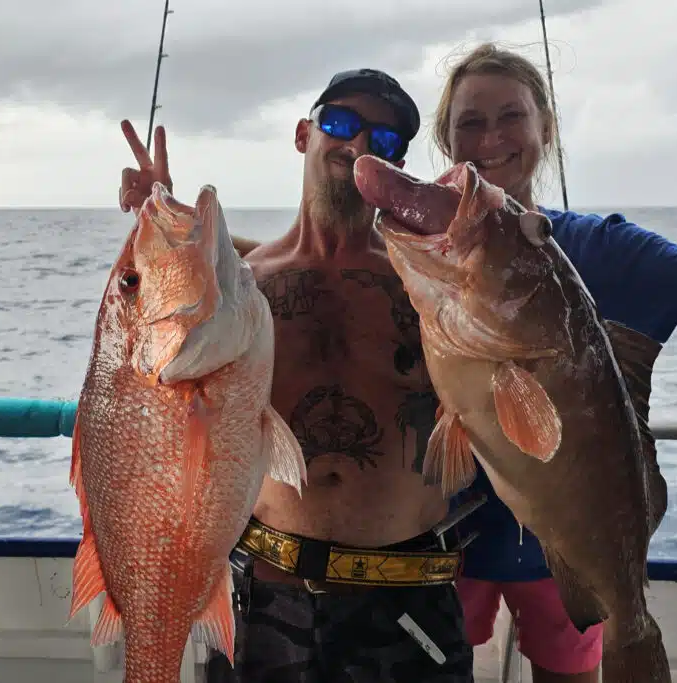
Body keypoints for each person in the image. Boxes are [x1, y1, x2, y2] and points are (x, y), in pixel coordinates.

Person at [431, 42, 677, 683]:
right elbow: (310, 272)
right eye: (470, 122)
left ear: (547, 128)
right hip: (439, 549)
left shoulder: (602, 248)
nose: (492, 137)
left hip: (571, 556)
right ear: (446, 138)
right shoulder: (421, 253)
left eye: (512, 116)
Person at [119, 68, 476, 682]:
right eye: (341, 123)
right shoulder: (241, 289)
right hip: (264, 593)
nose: (360, 145)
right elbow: (150, 346)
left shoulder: (431, 285)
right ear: (303, 133)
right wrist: (156, 218)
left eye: (386, 142)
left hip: (407, 596)